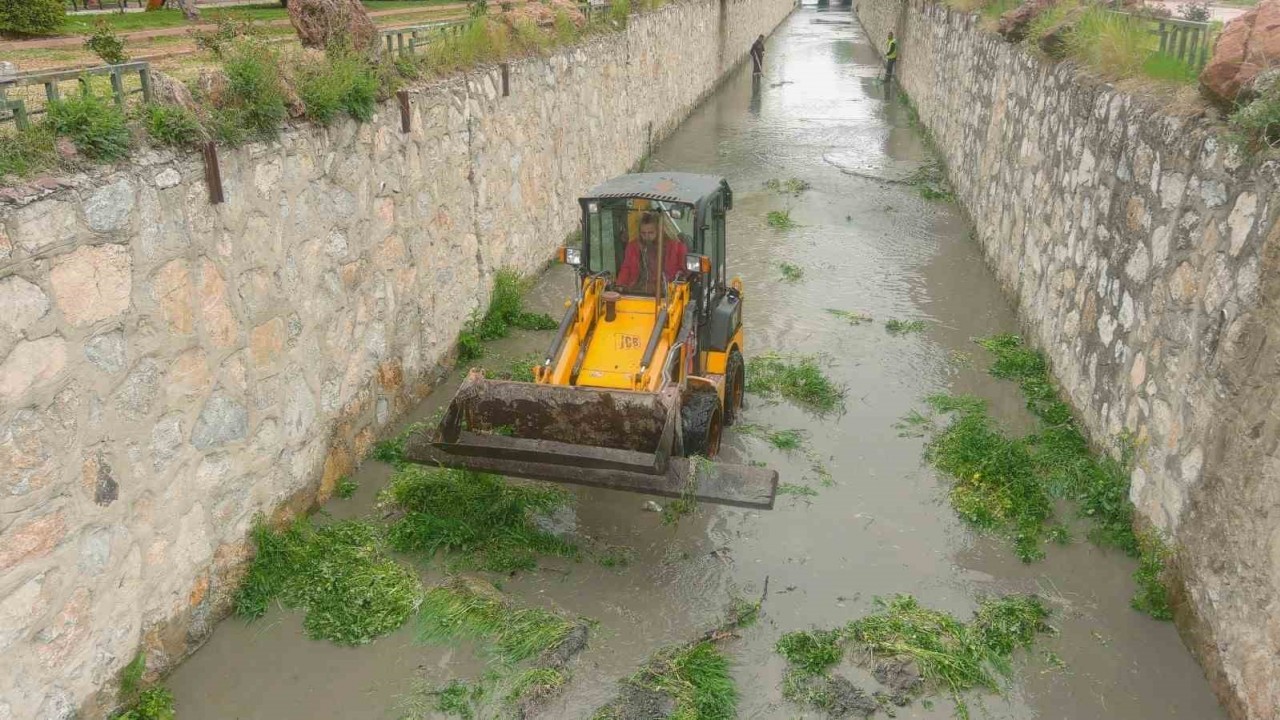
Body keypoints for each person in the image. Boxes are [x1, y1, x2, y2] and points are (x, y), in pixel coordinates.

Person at [617, 213, 687, 293]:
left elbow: (683, 271)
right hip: (637, 291)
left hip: (667, 293)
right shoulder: (633, 247)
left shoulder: (677, 246)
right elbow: (626, 268)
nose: (647, 236)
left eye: (650, 233)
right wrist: (620, 285)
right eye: (643, 233)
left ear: (660, 231)